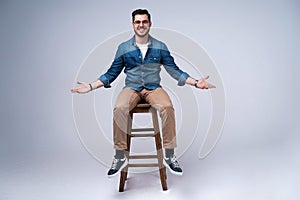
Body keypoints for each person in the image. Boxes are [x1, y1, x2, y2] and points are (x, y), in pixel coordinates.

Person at [71, 9, 215, 177]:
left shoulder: (160, 47)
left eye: (144, 21)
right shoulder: (123, 48)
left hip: (153, 88)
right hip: (131, 88)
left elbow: (175, 70)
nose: (141, 25)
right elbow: (112, 73)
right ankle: (119, 156)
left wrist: (197, 83)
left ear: (150, 24)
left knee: (167, 107)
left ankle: (169, 155)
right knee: (119, 108)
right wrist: (90, 86)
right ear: (133, 25)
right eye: (137, 22)